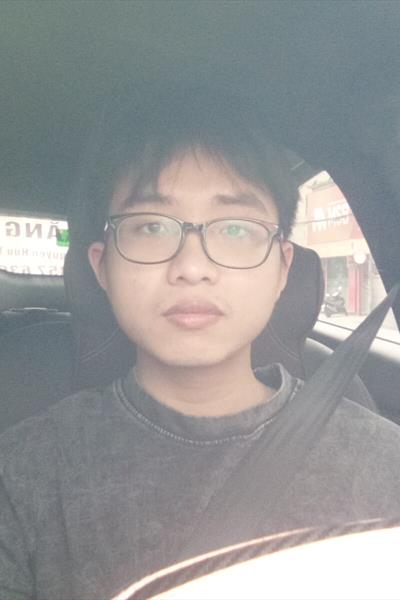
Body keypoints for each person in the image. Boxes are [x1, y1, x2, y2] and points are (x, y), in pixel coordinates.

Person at [1, 86, 400, 600]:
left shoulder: (382, 461)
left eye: (234, 229)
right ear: (101, 267)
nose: (191, 267)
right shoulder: (25, 473)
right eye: (150, 226)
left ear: (282, 269)